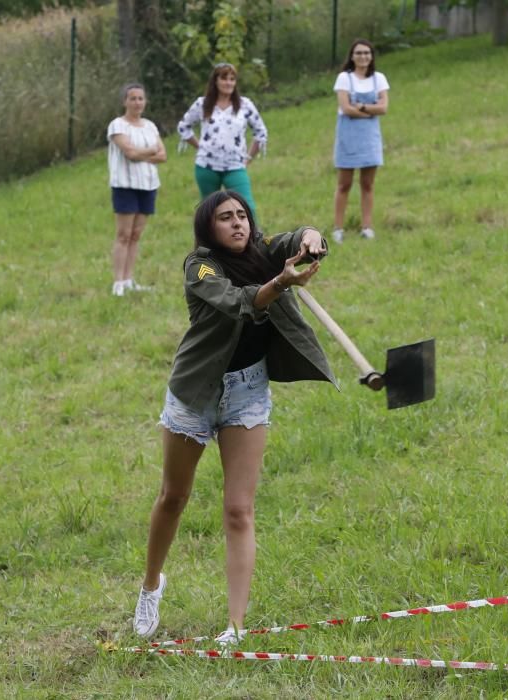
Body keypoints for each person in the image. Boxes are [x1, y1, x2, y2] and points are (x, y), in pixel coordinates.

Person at [133, 190, 339, 645]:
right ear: (209, 229)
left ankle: (235, 626)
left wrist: (311, 239)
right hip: (196, 392)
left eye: (242, 215)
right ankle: (151, 585)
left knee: (239, 510)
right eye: (225, 218)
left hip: (247, 392)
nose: (237, 223)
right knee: (173, 497)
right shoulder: (199, 267)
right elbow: (237, 302)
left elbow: (296, 238)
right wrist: (281, 284)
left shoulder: (265, 253)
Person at [177, 63, 268, 223]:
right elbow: (184, 126)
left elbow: (260, 132)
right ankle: (208, 245)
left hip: (235, 166)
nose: (228, 83)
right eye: (224, 78)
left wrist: (248, 158)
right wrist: (200, 147)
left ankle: (254, 244)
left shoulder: (245, 105)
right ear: (216, 81)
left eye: (232, 79)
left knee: (246, 207)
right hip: (207, 167)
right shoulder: (203, 104)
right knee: (208, 211)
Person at [107, 83, 167, 297]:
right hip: (125, 186)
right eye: (132, 98)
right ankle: (118, 282)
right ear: (125, 101)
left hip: (148, 185)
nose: (137, 103)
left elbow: (163, 156)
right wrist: (150, 150)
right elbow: (129, 153)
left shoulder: (150, 126)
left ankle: (130, 279)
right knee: (123, 234)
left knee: (135, 235)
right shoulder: (117, 126)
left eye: (140, 98)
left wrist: (146, 152)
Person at [332, 39, 389, 244]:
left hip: (370, 139)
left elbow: (383, 107)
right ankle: (338, 228)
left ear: (371, 56)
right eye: (359, 53)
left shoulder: (379, 79)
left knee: (367, 184)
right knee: (344, 184)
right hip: (348, 138)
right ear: (352, 56)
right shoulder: (344, 78)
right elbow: (346, 107)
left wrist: (362, 108)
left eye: (367, 53)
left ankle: (366, 226)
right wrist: (370, 108)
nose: (363, 56)